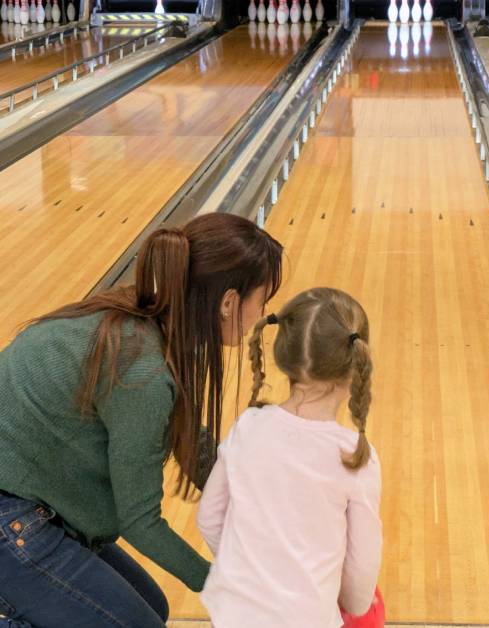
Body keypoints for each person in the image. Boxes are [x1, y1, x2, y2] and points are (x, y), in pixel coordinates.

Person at [0, 214, 284, 627]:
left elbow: (188, 439)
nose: (263, 313)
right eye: (263, 299)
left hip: (36, 503)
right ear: (228, 302)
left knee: (154, 608)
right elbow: (141, 521)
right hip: (12, 516)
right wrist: (225, 584)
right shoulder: (143, 371)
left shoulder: (157, 318)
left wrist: (262, 510)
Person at [197, 287, 383, 627]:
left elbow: (209, 518)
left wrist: (253, 575)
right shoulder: (356, 457)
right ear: (356, 365)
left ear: (284, 355)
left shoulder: (248, 426)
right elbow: (358, 592)